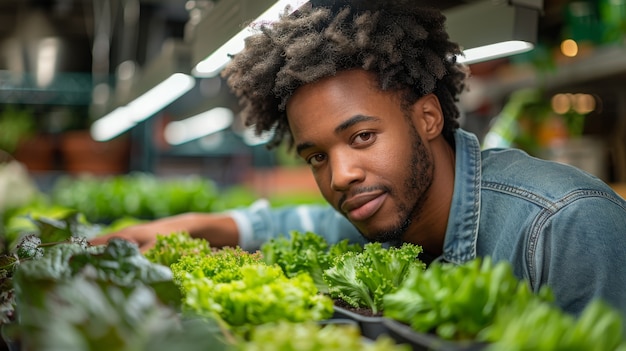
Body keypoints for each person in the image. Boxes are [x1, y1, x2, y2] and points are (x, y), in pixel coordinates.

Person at [92, 0, 626, 323]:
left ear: (427, 118)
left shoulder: (566, 224)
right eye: (317, 156)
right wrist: (199, 225)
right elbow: (305, 225)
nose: (340, 175)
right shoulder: (389, 214)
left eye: (364, 136)